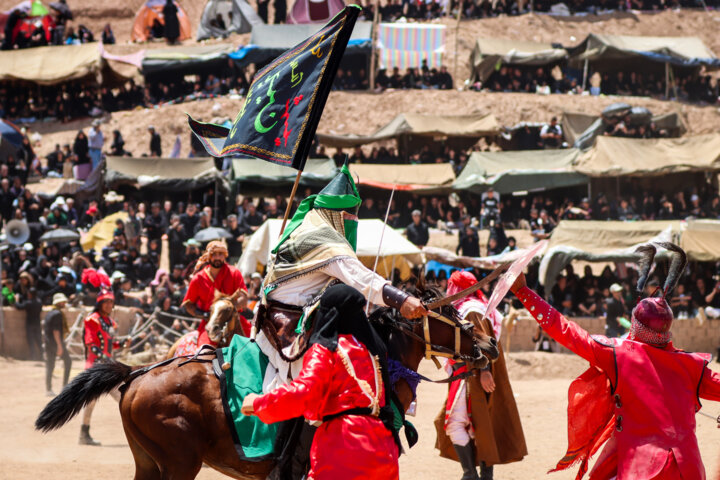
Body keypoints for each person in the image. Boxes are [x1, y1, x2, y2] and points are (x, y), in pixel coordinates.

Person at [256, 164, 425, 477]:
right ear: (336, 214)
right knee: (313, 382)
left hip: (302, 313)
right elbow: (358, 277)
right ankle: (288, 465)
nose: (354, 221)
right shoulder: (324, 237)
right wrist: (401, 300)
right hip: (288, 326)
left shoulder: (306, 225)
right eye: (350, 215)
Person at [509, 243, 720, 480]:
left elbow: (565, 330)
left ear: (636, 325)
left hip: (643, 469)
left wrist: (524, 292)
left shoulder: (618, 354)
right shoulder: (692, 364)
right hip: (689, 470)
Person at [242, 285, 400, 480]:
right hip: (383, 448)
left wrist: (258, 403)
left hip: (343, 445)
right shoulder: (372, 351)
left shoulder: (325, 350)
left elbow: (304, 392)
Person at [435, 272, 527, 480]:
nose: (449, 290)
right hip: (468, 373)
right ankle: (481, 475)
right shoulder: (470, 307)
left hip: (473, 374)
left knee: (456, 423)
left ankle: (471, 475)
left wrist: (484, 371)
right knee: (478, 424)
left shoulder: (471, 310)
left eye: (452, 286)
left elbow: (482, 341)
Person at [81, 287, 125, 445]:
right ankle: (84, 433)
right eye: (105, 301)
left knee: (122, 397)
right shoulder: (92, 319)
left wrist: (123, 343)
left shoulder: (110, 322)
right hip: (96, 368)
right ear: (99, 303)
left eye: (111, 301)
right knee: (93, 402)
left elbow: (111, 344)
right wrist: (106, 357)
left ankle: (83, 434)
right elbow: (91, 345)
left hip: (107, 367)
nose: (108, 304)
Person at [181, 240, 250, 338]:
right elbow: (188, 305)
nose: (217, 257)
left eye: (220, 254)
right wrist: (205, 315)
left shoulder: (235, 273)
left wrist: (228, 312)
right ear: (208, 256)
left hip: (234, 321)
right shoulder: (198, 278)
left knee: (253, 348)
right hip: (208, 323)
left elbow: (243, 299)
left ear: (225, 255)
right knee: (205, 351)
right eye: (214, 254)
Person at [44, 293, 72, 397]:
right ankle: (65, 386)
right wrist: (60, 346)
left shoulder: (50, 313)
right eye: (63, 301)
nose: (64, 303)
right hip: (56, 343)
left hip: (49, 343)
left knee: (50, 365)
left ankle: (48, 389)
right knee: (68, 362)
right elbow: (56, 331)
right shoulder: (57, 314)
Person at [14, 287, 43, 361]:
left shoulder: (28, 303)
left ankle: (33, 357)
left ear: (30, 294)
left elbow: (19, 307)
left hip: (30, 324)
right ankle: (42, 357)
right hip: (37, 323)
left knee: (31, 341)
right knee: (39, 341)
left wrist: (16, 300)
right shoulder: (39, 302)